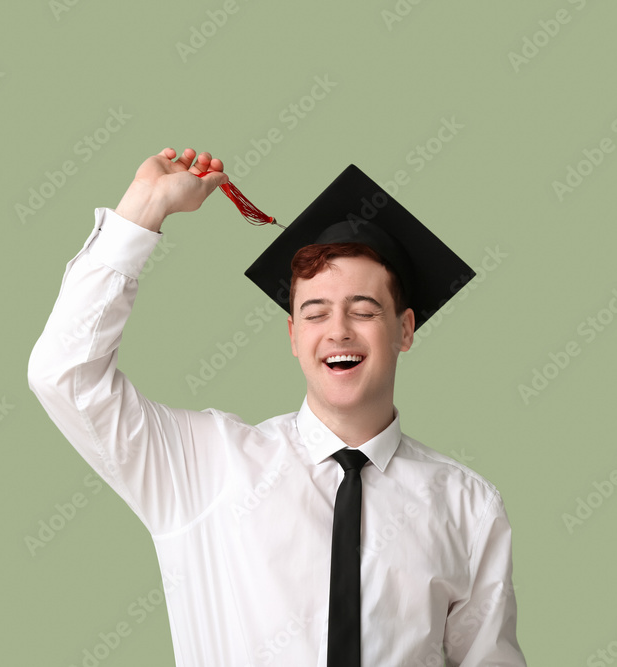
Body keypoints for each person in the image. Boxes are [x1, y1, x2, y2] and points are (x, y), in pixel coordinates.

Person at [28, 147, 526, 666]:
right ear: (293, 335)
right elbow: (64, 375)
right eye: (315, 313)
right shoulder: (204, 468)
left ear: (403, 329)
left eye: (363, 309)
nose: (338, 331)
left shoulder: (467, 507)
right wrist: (144, 209)